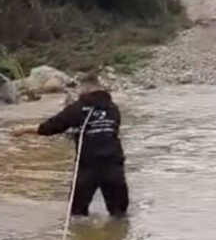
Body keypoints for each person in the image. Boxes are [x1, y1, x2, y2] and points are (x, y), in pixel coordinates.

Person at [10, 74, 128, 217]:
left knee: (77, 215)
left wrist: (24, 130)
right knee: (119, 215)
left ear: (86, 88)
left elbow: (50, 127)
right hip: (113, 165)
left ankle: (80, 237)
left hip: (88, 167)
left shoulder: (77, 108)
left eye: (80, 89)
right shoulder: (113, 108)